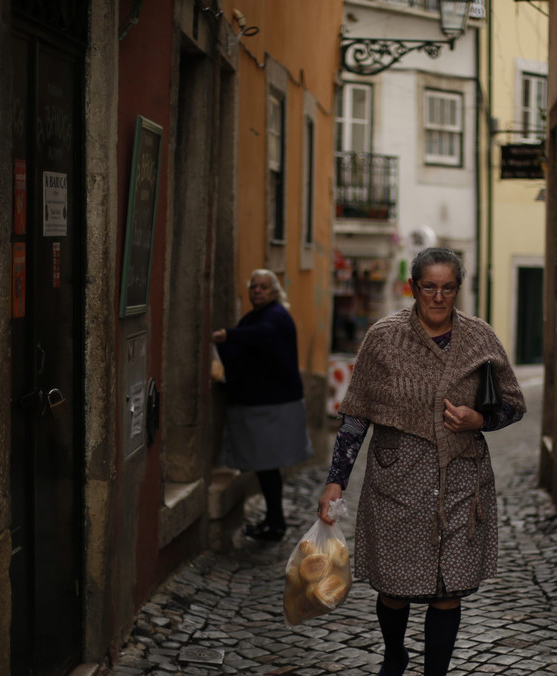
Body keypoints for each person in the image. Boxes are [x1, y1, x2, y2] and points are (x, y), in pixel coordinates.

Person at [317, 248, 526, 675]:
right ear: (413, 287)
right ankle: (395, 653)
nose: (438, 296)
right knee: (394, 587)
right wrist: (336, 480)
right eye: (428, 286)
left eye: (448, 287)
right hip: (398, 478)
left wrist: (478, 419)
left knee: (447, 589)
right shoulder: (384, 337)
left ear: (457, 289)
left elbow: (514, 405)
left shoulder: (480, 337)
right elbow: (356, 413)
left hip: (461, 476)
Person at [214, 269, 313, 541]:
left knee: (268, 466)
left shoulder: (275, 316)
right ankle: (273, 521)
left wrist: (228, 336)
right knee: (265, 467)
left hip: (272, 407)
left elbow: (262, 336)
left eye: (263, 287)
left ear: (274, 292)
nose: (257, 291)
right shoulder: (256, 316)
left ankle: (275, 523)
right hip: (262, 404)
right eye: (254, 286)